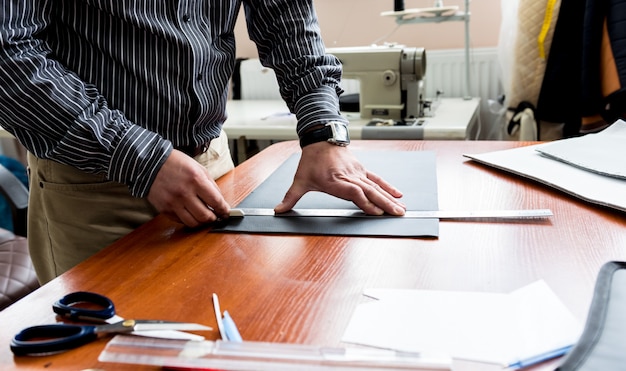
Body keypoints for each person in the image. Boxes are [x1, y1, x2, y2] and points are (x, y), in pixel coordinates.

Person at [0, 1, 406, 284]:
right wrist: (140, 159)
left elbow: (287, 19)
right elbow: (8, 53)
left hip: (212, 166)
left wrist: (322, 131)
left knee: (216, 336)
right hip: (97, 185)